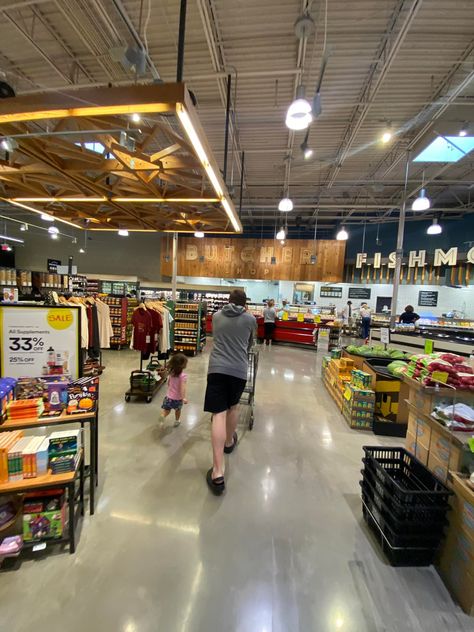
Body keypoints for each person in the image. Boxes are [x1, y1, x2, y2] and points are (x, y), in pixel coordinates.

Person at [204, 289, 256, 495]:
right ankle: (228, 441)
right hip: (239, 370)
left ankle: (218, 472)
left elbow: (216, 336)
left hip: (217, 368)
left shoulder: (216, 317)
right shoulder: (250, 319)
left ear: (228, 301)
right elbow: (250, 343)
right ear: (244, 304)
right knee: (233, 407)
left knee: (218, 414)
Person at [161, 352, 188, 426]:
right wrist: (183, 398)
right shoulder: (183, 376)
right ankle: (177, 421)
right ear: (183, 365)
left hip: (168, 397)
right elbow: (182, 388)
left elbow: (169, 383)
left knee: (167, 410)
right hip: (177, 399)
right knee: (178, 410)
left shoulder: (171, 373)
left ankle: (162, 416)